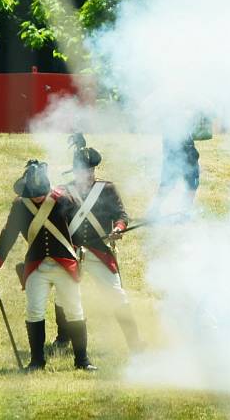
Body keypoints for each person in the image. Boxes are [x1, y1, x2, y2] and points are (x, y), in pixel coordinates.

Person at [0, 160, 96, 371]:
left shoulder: (65, 200)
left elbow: (80, 229)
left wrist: (85, 248)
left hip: (66, 265)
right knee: (34, 311)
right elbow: (8, 234)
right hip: (36, 266)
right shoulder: (20, 205)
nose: (36, 196)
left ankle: (82, 361)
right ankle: (37, 362)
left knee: (74, 311)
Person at [51, 140, 144, 353]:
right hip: (72, 253)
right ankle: (62, 338)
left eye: (92, 169)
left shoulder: (106, 189)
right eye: (85, 169)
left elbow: (121, 215)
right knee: (62, 296)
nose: (89, 173)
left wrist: (118, 229)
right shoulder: (63, 192)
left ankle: (135, 343)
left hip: (99, 252)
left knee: (117, 295)